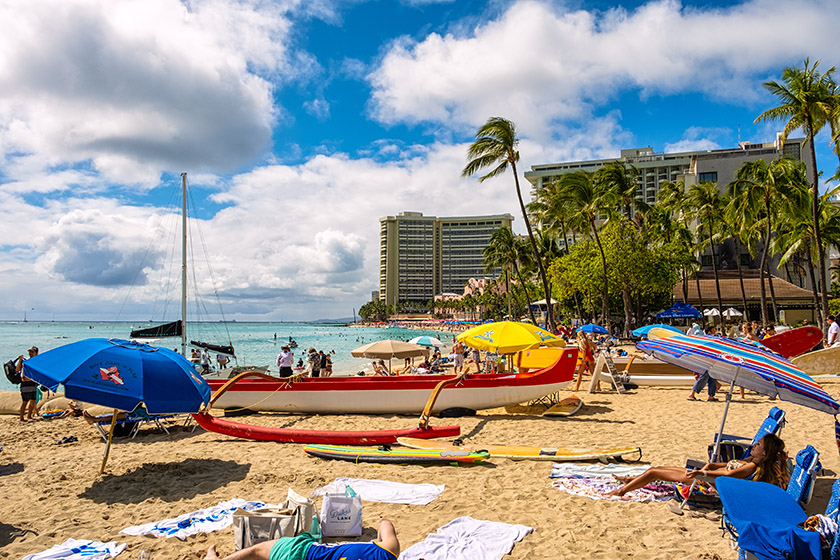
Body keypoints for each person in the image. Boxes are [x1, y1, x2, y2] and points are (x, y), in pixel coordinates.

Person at [607, 434, 788, 497]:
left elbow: (725, 478)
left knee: (655, 472)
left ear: (764, 453)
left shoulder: (750, 468)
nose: (754, 445)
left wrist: (703, 474)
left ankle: (621, 491)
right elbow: (726, 465)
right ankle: (630, 480)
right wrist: (711, 464)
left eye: (758, 445)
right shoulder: (750, 461)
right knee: (658, 468)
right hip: (705, 474)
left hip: (705, 482)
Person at [204, 519, 399, 560]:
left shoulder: (389, 551)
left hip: (302, 552)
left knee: (258, 550)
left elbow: (386, 523)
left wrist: (377, 540)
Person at [15, 346, 39, 421]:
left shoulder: (38, 361)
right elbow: (17, 370)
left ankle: (29, 416)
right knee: (25, 401)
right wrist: (20, 360)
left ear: (36, 353)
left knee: (33, 401)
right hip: (25, 383)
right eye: (29, 352)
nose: (30, 353)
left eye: (32, 352)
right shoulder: (25, 361)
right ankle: (21, 418)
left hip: (33, 383)